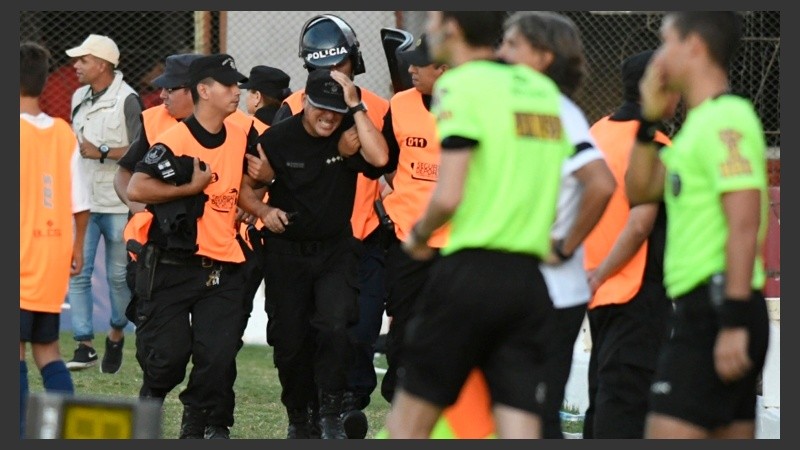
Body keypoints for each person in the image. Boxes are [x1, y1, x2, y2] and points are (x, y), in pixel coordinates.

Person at [384, 11, 574, 439]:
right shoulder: (543, 91)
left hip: (470, 272)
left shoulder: (461, 85)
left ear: (452, 28)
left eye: (433, 19)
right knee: (517, 421)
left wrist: (416, 235)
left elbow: (449, 194)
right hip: (529, 280)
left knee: (409, 422)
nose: (429, 28)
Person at [626, 11, 770, 439]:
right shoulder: (694, 129)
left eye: (667, 42)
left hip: (717, 308)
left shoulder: (728, 118)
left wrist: (732, 322)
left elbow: (744, 225)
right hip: (703, 308)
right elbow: (640, 191)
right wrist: (648, 121)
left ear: (694, 47)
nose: (659, 57)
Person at [237, 69, 389, 439]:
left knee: (336, 328)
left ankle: (331, 412)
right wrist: (264, 212)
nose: (329, 117)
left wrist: (356, 106)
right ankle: (298, 417)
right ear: (304, 103)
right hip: (286, 254)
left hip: (335, 251)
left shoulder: (349, 135)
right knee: (289, 342)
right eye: (321, 107)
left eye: (336, 110)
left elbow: (381, 158)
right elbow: (243, 189)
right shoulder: (278, 138)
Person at [496, 11, 616, 439]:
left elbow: (601, 183)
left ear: (545, 57)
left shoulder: (555, 110)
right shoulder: (529, 108)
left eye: (513, 45)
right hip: (526, 288)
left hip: (552, 292)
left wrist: (564, 246)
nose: (501, 53)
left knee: (535, 413)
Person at [126, 53, 257, 439]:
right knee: (168, 359)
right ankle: (152, 395)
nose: (237, 91)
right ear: (204, 90)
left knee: (216, 358)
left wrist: (262, 199)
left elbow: (246, 186)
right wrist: (189, 189)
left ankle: (196, 425)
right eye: (229, 85)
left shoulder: (241, 134)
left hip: (223, 267)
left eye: (238, 85)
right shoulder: (176, 138)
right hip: (172, 266)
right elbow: (137, 187)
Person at [271, 13, 391, 439]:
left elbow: (388, 168)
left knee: (355, 331)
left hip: (363, 236)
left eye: (337, 67)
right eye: (320, 69)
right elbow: (272, 172)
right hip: (305, 240)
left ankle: (341, 406)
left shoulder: (377, 106)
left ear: (353, 62)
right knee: (298, 338)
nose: (330, 77)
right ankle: (308, 412)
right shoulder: (293, 107)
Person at [581, 49, 674, 439]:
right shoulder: (655, 145)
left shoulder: (596, 132)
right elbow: (641, 225)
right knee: (626, 406)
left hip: (597, 290)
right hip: (635, 286)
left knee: (603, 393)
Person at [19, 40, 91, 440]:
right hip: (52, 255)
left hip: (20, 256)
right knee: (47, 348)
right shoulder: (63, 133)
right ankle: (66, 429)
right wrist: (77, 248)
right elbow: (81, 202)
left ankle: (17, 431)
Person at [378, 33, 451, 406]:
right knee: (404, 322)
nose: (410, 69)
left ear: (444, 68)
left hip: (456, 240)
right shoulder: (401, 103)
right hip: (407, 237)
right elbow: (389, 162)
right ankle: (401, 399)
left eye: (419, 64)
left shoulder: (472, 106)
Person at [64, 33, 143, 374]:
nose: (76, 65)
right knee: (77, 272)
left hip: (115, 201)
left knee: (117, 277)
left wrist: (104, 152)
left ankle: (115, 332)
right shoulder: (78, 97)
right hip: (83, 199)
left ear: (103, 64)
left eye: (83, 60)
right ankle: (84, 345)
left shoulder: (129, 99)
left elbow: (142, 148)